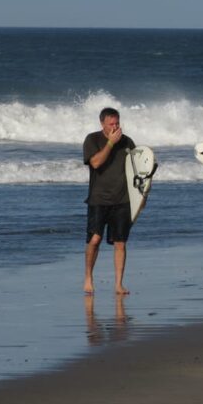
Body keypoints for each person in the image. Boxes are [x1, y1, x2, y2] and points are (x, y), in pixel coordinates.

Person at [83, 107, 136, 295]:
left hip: (123, 199)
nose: (115, 127)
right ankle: (88, 277)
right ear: (102, 124)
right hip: (98, 199)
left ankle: (118, 284)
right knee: (95, 239)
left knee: (120, 242)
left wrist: (142, 196)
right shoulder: (92, 139)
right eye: (111, 124)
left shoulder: (128, 142)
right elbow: (96, 163)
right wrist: (110, 144)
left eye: (117, 123)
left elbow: (138, 170)